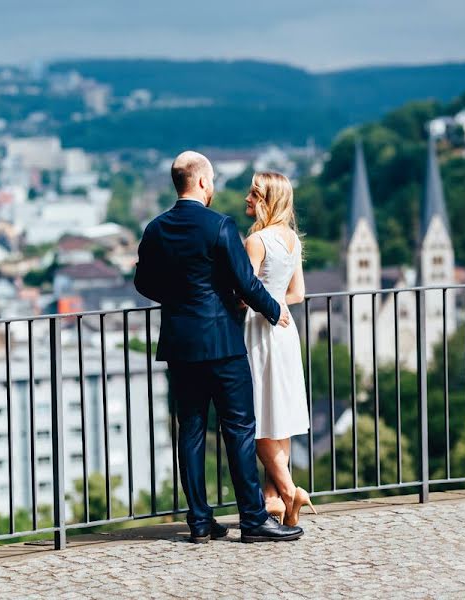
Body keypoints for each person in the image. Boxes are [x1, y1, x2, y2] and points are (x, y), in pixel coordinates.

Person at [134, 150, 303, 543]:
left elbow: (143, 283)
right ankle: (253, 518)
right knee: (240, 429)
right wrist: (275, 310)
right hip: (223, 343)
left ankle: (199, 520)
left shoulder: (156, 228)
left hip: (180, 344)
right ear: (204, 182)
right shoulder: (220, 226)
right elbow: (245, 282)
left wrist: (176, 298)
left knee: (190, 432)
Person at [242, 172, 316, 526]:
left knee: (256, 416)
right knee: (279, 415)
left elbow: (246, 292)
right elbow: (298, 293)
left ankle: (288, 491)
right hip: (286, 332)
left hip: (260, 331)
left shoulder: (257, 240)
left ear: (265, 200)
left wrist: (258, 304)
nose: (247, 199)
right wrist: (277, 303)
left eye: (252, 194)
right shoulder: (292, 240)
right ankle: (273, 500)